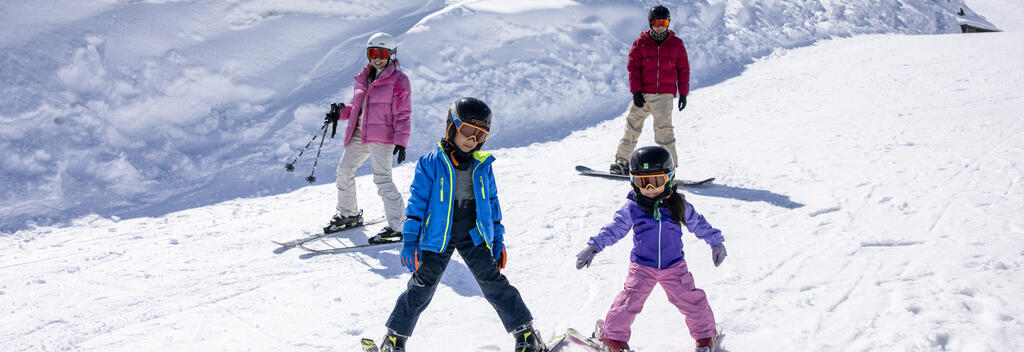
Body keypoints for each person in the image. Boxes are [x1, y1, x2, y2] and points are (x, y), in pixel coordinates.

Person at [375, 97, 547, 352]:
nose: (472, 139)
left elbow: (492, 204)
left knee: (494, 283)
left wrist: (498, 239)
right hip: (437, 233)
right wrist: (410, 239)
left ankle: (526, 335)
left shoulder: (483, 164)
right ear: (452, 126)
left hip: (473, 232)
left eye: (480, 135)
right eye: (468, 130)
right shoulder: (430, 162)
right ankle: (393, 339)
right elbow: (417, 203)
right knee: (421, 287)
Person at [577, 146, 727, 352]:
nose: (649, 189)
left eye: (656, 181)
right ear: (633, 181)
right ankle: (612, 337)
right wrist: (594, 246)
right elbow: (615, 229)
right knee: (628, 302)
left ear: (669, 178)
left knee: (692, 301)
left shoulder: (678, 205)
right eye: (642, 182)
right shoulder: (632, 207)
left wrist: (715, 241)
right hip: (641, 267)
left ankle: (704, 336)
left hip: (674, 267)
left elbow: (698, 223)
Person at [323, 32, 411, 241]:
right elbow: (358, 108)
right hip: (360, 134)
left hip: (382, 137)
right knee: (344, 172)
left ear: (391, 54)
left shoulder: (399, 80)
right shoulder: (364, 76)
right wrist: (340, 113)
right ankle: (349, 214)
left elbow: (403, 113)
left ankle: (399, 226)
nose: (376, 58)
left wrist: (401, 141)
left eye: (382, 53)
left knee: (382, 180)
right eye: (372, 52)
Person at [611, 5, 691, 175]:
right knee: (632, 126)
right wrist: (636, 92)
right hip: (643, 94)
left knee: (664, 131)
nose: (660, 26)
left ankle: (670, 167)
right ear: (650, 22)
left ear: (668, 23)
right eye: (657, 22)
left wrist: (683, 93)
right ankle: (622, 162)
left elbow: (683, 69)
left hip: (664, 95)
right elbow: (633, 68)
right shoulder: (641, 43)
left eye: (664, 22)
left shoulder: (676, 44)